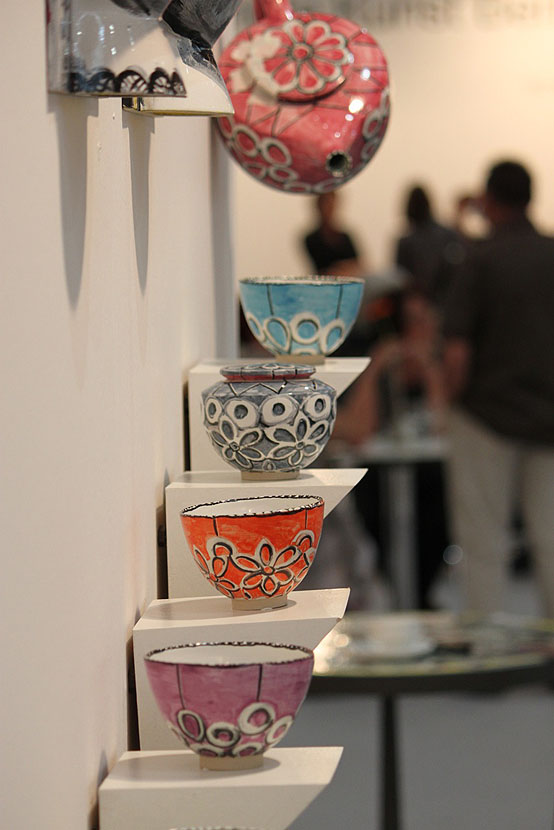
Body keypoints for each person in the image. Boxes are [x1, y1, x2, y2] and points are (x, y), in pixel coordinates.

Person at [442, 160, 554, 616]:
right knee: (551, 538)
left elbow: (457, 350)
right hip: (548, 416)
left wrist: (449, 402)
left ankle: (488, 643)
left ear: (488, 200)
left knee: (484, 540)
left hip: (486, 415)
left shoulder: (480, 258)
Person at [396, 185, 466, 310]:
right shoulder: (449, 235)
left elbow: (401, 279)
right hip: (447, 303)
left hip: (419, 306)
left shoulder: (406, 242)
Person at [303, 190, 362, 276]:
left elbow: (358, 264)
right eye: (325, 204)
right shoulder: (311, 239)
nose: (328, 209)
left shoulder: (345, 236)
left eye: (330, 205)